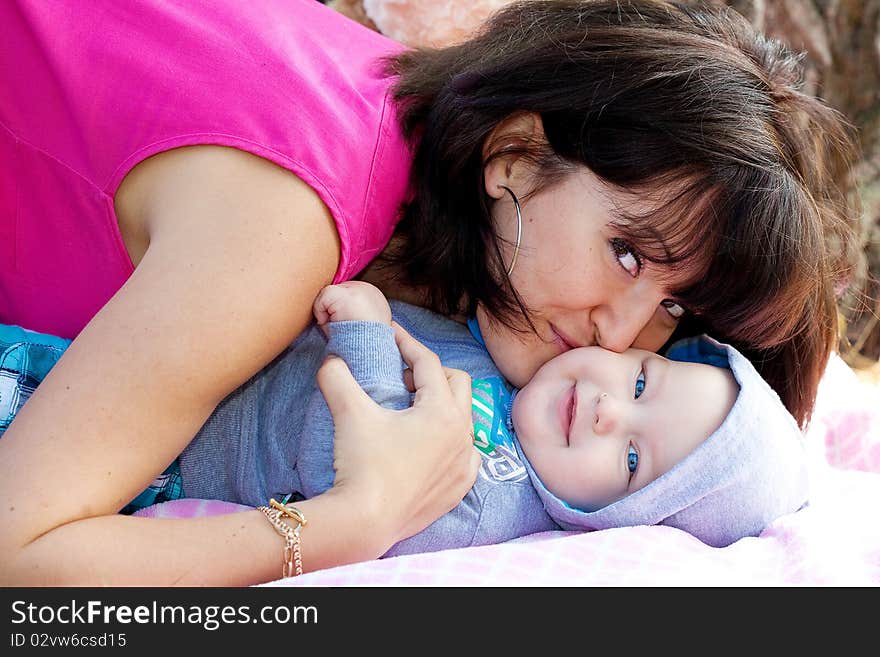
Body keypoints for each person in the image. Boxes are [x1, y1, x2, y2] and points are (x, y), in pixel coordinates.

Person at [0, 0, 860, 585]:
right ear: (514, 157)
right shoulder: (286, 220)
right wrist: (347, 525)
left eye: (676, 307)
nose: (623, 332)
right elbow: (17, 554)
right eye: (629, 253)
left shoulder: (452, 235)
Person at [0, 280, 811, 552]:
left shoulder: (491, 494)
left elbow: (356, 463)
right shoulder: (521, 360)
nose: (603, 412)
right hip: (155, 369)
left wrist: (363, 328)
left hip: (158, 460)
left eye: (634, 460)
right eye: (640, 383)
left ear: (617, 520)